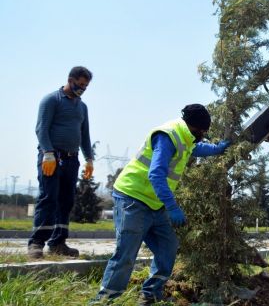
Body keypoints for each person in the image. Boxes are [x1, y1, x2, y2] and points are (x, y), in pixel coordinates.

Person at [93, 104, 230, 305]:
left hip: (154, 204)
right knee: (126, 254)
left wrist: (218, 149)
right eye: (202, 132)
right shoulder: (168, 136)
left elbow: (195, 148)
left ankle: (150, 295)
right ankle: (104, 301)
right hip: (133, 198)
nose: (203, 135)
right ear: (195, 127)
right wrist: (172, 206)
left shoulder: (186, 135)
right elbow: (155, 174)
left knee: (168, 247)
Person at [28, 66, 94, 259]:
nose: (82, 88)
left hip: (72, 159)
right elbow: (41, 129)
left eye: (86, 86)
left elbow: (85, 135)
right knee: (49, 198)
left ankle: (58, 242)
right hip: (51, 157)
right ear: (70, 80)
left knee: (66, 201)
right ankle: (36, 243)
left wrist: (89, 158)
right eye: (80, 84)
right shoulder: (51, 100)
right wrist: (48, 152)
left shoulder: (82, 106)